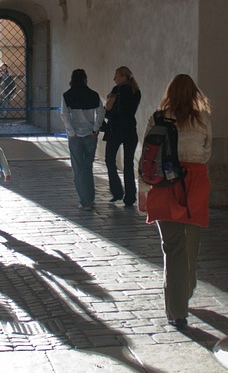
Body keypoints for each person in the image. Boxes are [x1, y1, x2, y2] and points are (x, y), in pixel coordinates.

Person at [140, 73, 212, 330]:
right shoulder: (202, 119)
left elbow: (147, 155)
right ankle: (185, 291)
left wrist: (143, 190)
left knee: (173, 248)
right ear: (195, 93)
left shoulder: (158, 118)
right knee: (191, 246)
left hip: (164, 183)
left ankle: (177, 310)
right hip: (194, 183)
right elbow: (206, 152)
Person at [60, 68, 105, 209]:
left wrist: (71, 131)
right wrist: (95, 129)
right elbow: (101, 112)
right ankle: (90, 197)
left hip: (75, 137)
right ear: (85, 79)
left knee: (78, 169)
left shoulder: (67, 95)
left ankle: (85, 201)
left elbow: (64, 115)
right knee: (87, 167)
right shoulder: (93, 95)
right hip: (90, 135)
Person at [103, 66, 142, 207]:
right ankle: (130, 196)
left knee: (109, 160)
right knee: (129, 163)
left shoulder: (117, 90)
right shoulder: (136, 91)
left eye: (116, 75)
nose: (114, 78)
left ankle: (117, 191)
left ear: (124, 76)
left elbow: (108, 108)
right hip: (131, 129)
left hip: (116, 130)